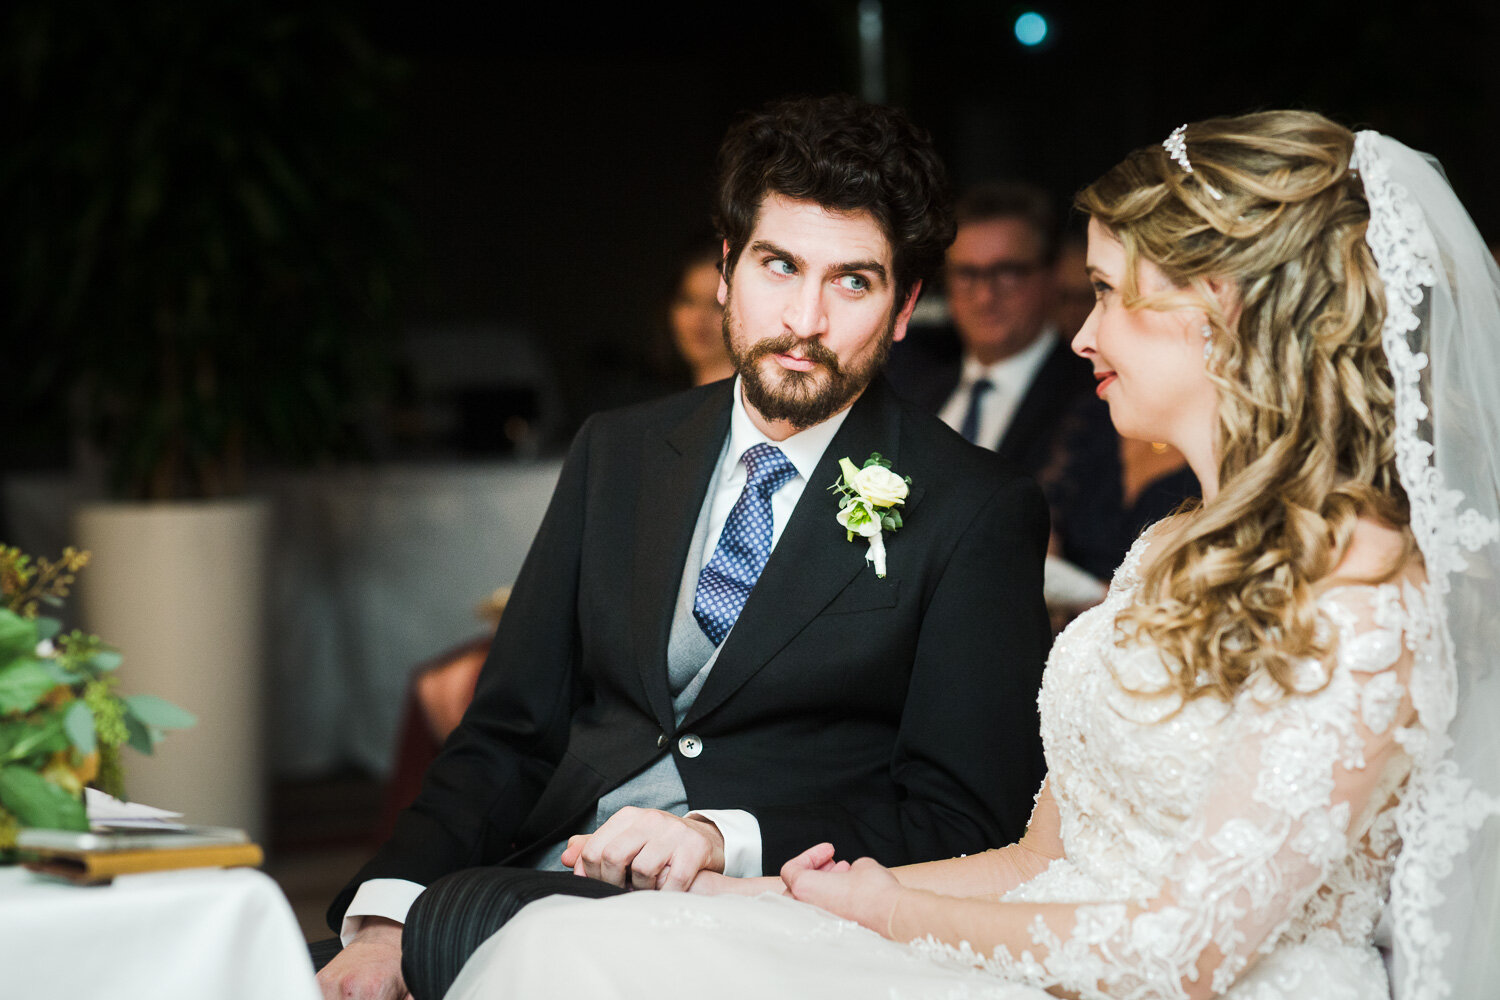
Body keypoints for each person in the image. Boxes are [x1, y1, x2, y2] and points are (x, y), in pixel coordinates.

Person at [443, 112, 1500, 1000]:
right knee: (579, 947)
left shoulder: (1364, 593)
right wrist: (788, 896)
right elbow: (1044, 857)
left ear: (1224, 315)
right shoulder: (1173, 550)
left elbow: (1190, 945)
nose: (1080, 335)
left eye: (1109, 295)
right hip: (1039, 928)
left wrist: (888, 909)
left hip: (1186, 979)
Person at [316, 93, 1052, 1000]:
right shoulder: (617, 451)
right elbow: (506, 735)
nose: (805, 321)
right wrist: (388, 917)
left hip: (778, 912)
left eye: (851, 282)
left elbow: (963, 818)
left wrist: (725, 835)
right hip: (551, 869)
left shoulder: (978, 507)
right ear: (723, 272)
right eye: (778, 267)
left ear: (903, 311)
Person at [886, 181, 1095, 481]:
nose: (985, 296)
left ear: (1052, 276)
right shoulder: (909, 388)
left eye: (1007, 272)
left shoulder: (1089, 399)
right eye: (967, 274)